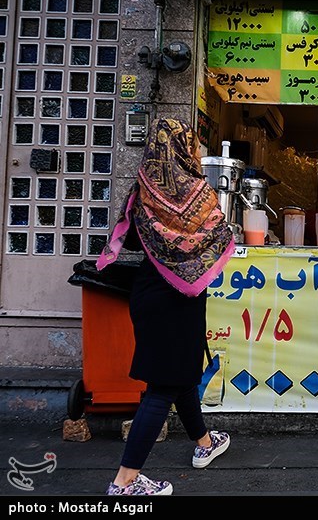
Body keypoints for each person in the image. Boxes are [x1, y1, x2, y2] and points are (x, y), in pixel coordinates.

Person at [97, 118, 236, 495]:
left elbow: (127, 240)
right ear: (185, 148)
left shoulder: (143, 188)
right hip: (180, 298)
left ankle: (205, 443)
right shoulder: (199, 191)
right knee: (163, 387)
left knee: (182, 373)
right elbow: (221, 232)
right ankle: (124, 482)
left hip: (148, 291)